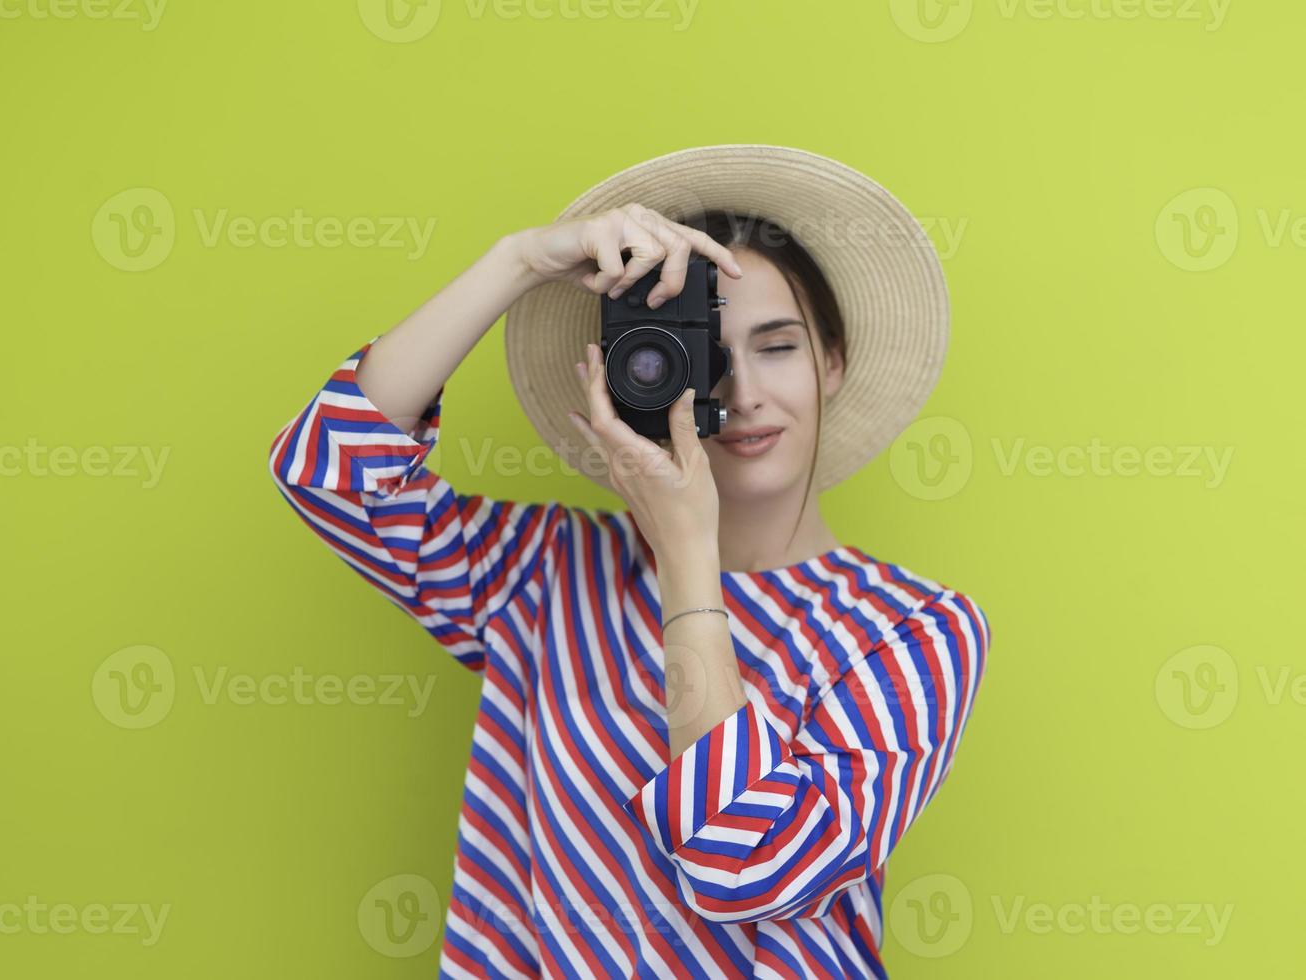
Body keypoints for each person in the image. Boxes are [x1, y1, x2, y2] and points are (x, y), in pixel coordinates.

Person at [268, 145, 991, 979]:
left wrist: (687, 553)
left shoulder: (912, 632)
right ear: (630, 378)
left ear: (831, 361)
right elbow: (323, 471)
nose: (744, 392)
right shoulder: (547, 574)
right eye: (703, 354)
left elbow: (746, 864)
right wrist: (519, 260)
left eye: (778, 346)